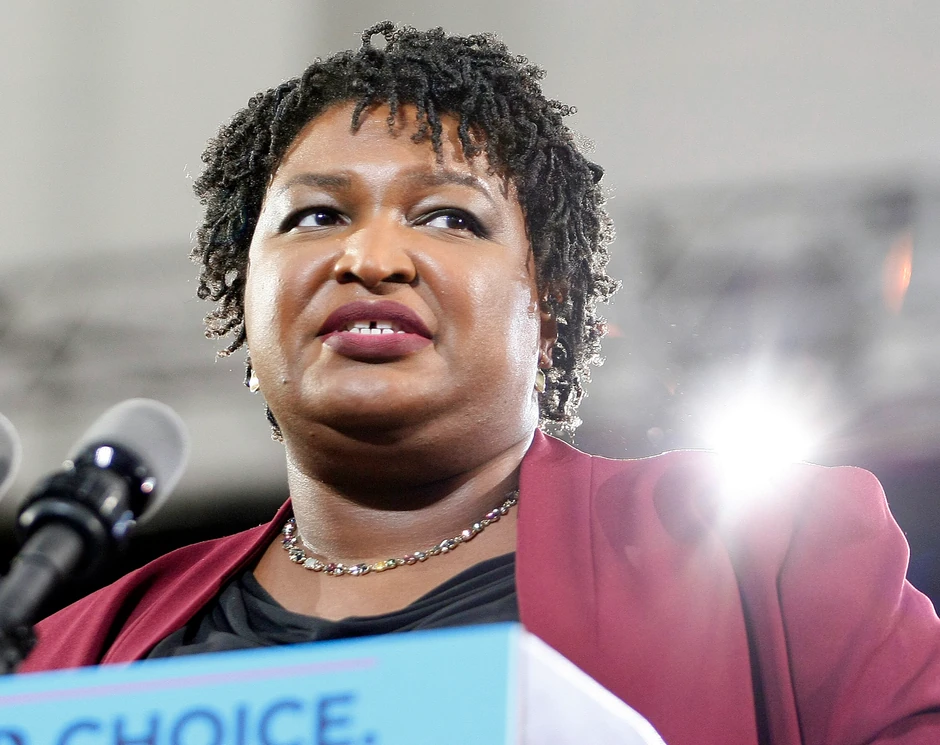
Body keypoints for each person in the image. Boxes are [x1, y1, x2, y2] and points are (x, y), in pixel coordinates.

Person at [19, 22, 940, 745]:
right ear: (242, 294)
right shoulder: (61, 660)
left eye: (450, 217)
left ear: (550, 304)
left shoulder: (771, 560)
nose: (370, 257)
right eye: (316, 215)